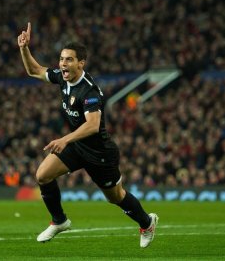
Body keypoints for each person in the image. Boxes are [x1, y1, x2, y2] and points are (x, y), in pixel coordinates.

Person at [17, 23, 158, 247]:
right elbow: (34, 70)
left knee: (116, 197)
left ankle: (146, 222)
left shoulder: (89, 91)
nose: (63, 63)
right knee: (43, 175)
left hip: (99, 152)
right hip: (77, 145)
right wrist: (24, 48)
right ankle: (59, 221)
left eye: (69, 60)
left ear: (81, 63)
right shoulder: (62, 78)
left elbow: (93, 126)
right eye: (61, 59)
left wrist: (64, 139)